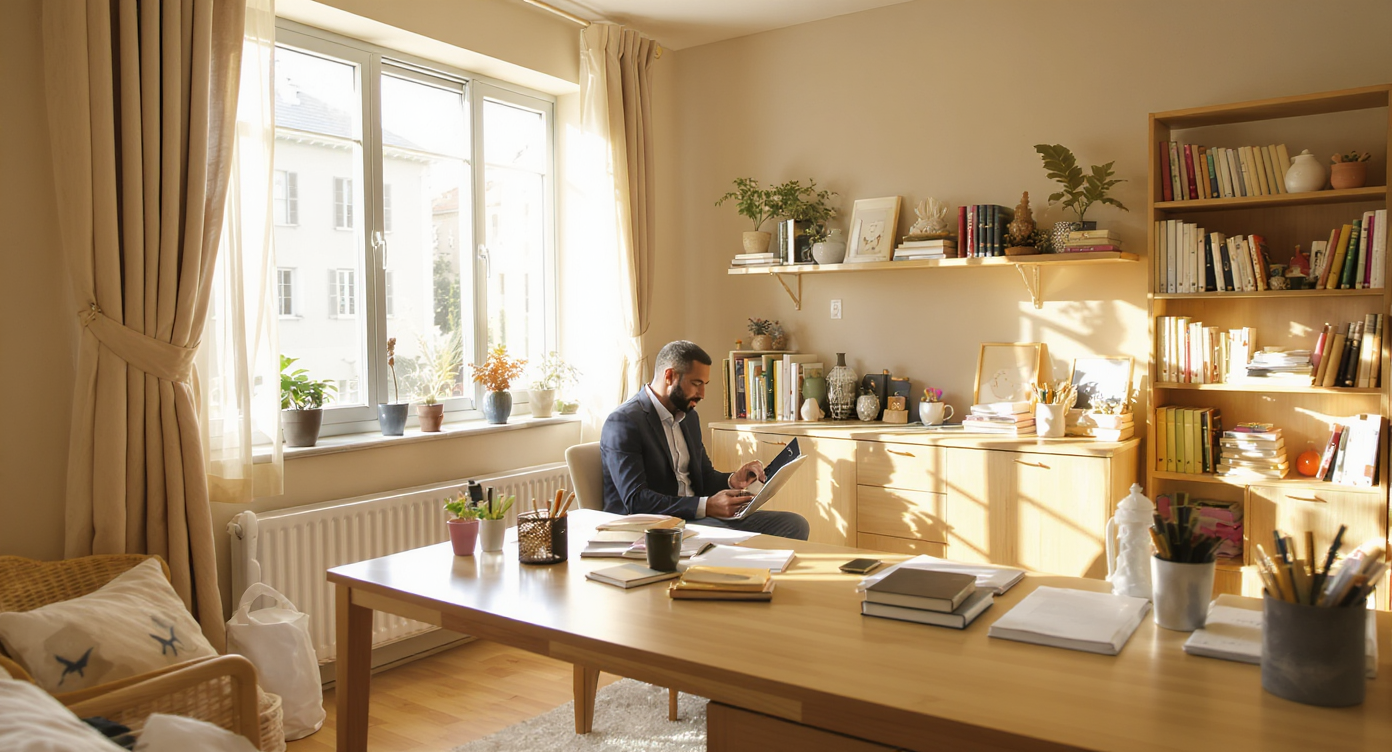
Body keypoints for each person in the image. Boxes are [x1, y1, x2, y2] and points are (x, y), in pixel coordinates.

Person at [600, 340, 810, 540]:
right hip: (657, 529)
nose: (702, 394)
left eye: (705, 384)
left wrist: (732, 480)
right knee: (739, 539)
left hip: (697, 520)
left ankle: (758, 577)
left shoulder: (688, 416)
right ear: (670, 376)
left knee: (795, 524)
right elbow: (636, 501)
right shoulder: (624, 422)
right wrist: (706, 506)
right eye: (696, 383)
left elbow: (704, 477)